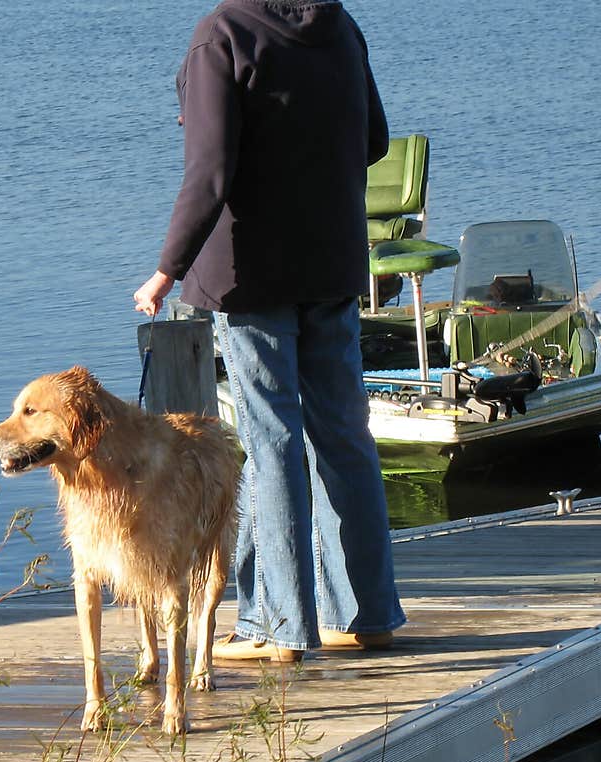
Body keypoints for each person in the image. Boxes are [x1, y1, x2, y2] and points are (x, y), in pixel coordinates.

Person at [133, 0, 406, 661]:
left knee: (270, 438)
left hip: (249, 274)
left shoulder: (220, 36)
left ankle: (276, 624)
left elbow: (211, 172)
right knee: (343, 430)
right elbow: (374, 140)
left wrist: (166, 271)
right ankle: (364, 612)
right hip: (334, 261)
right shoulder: (339, 25)